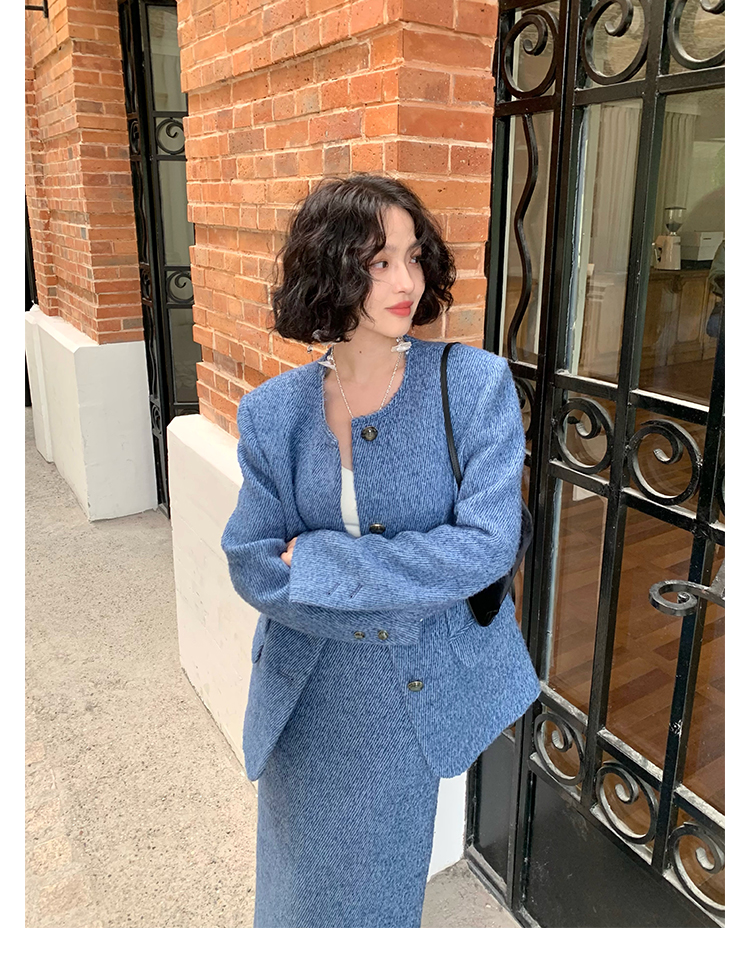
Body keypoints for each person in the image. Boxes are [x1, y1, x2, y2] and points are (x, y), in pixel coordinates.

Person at [220, 173, 540, 928]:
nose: (406, 281)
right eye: (379, 262)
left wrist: (321, 565)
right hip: (306, 694)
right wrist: (402, 587)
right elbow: (250, 559)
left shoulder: (475, 386)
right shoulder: (274, 412)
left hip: (404, 696)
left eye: (413, 256)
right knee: (293, 898)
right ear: (331, 270)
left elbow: (485, 546)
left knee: (377, 902)